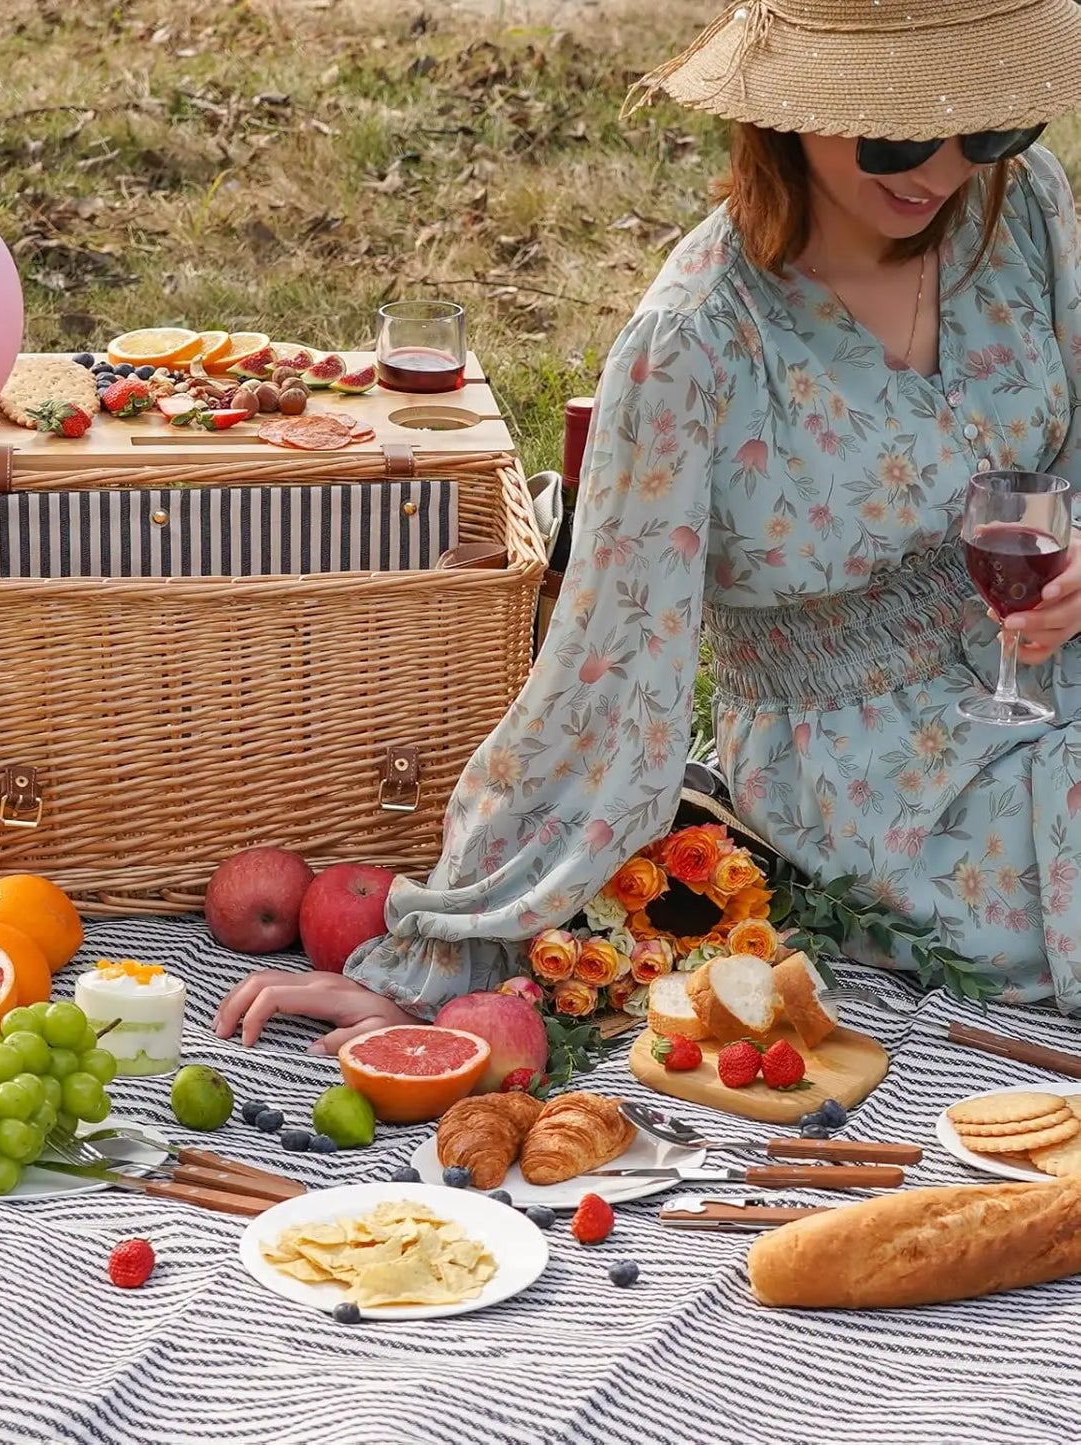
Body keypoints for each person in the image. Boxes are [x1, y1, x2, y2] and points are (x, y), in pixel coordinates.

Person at [215, 0, 1081, 1048]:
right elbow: (604, 664)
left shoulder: (1019, 207)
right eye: (896, 130)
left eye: (982, 125)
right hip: (874, 763)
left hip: (1044, 658)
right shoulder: (694, 345)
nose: (940, 171)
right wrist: (440, 961)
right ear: (786, 108)